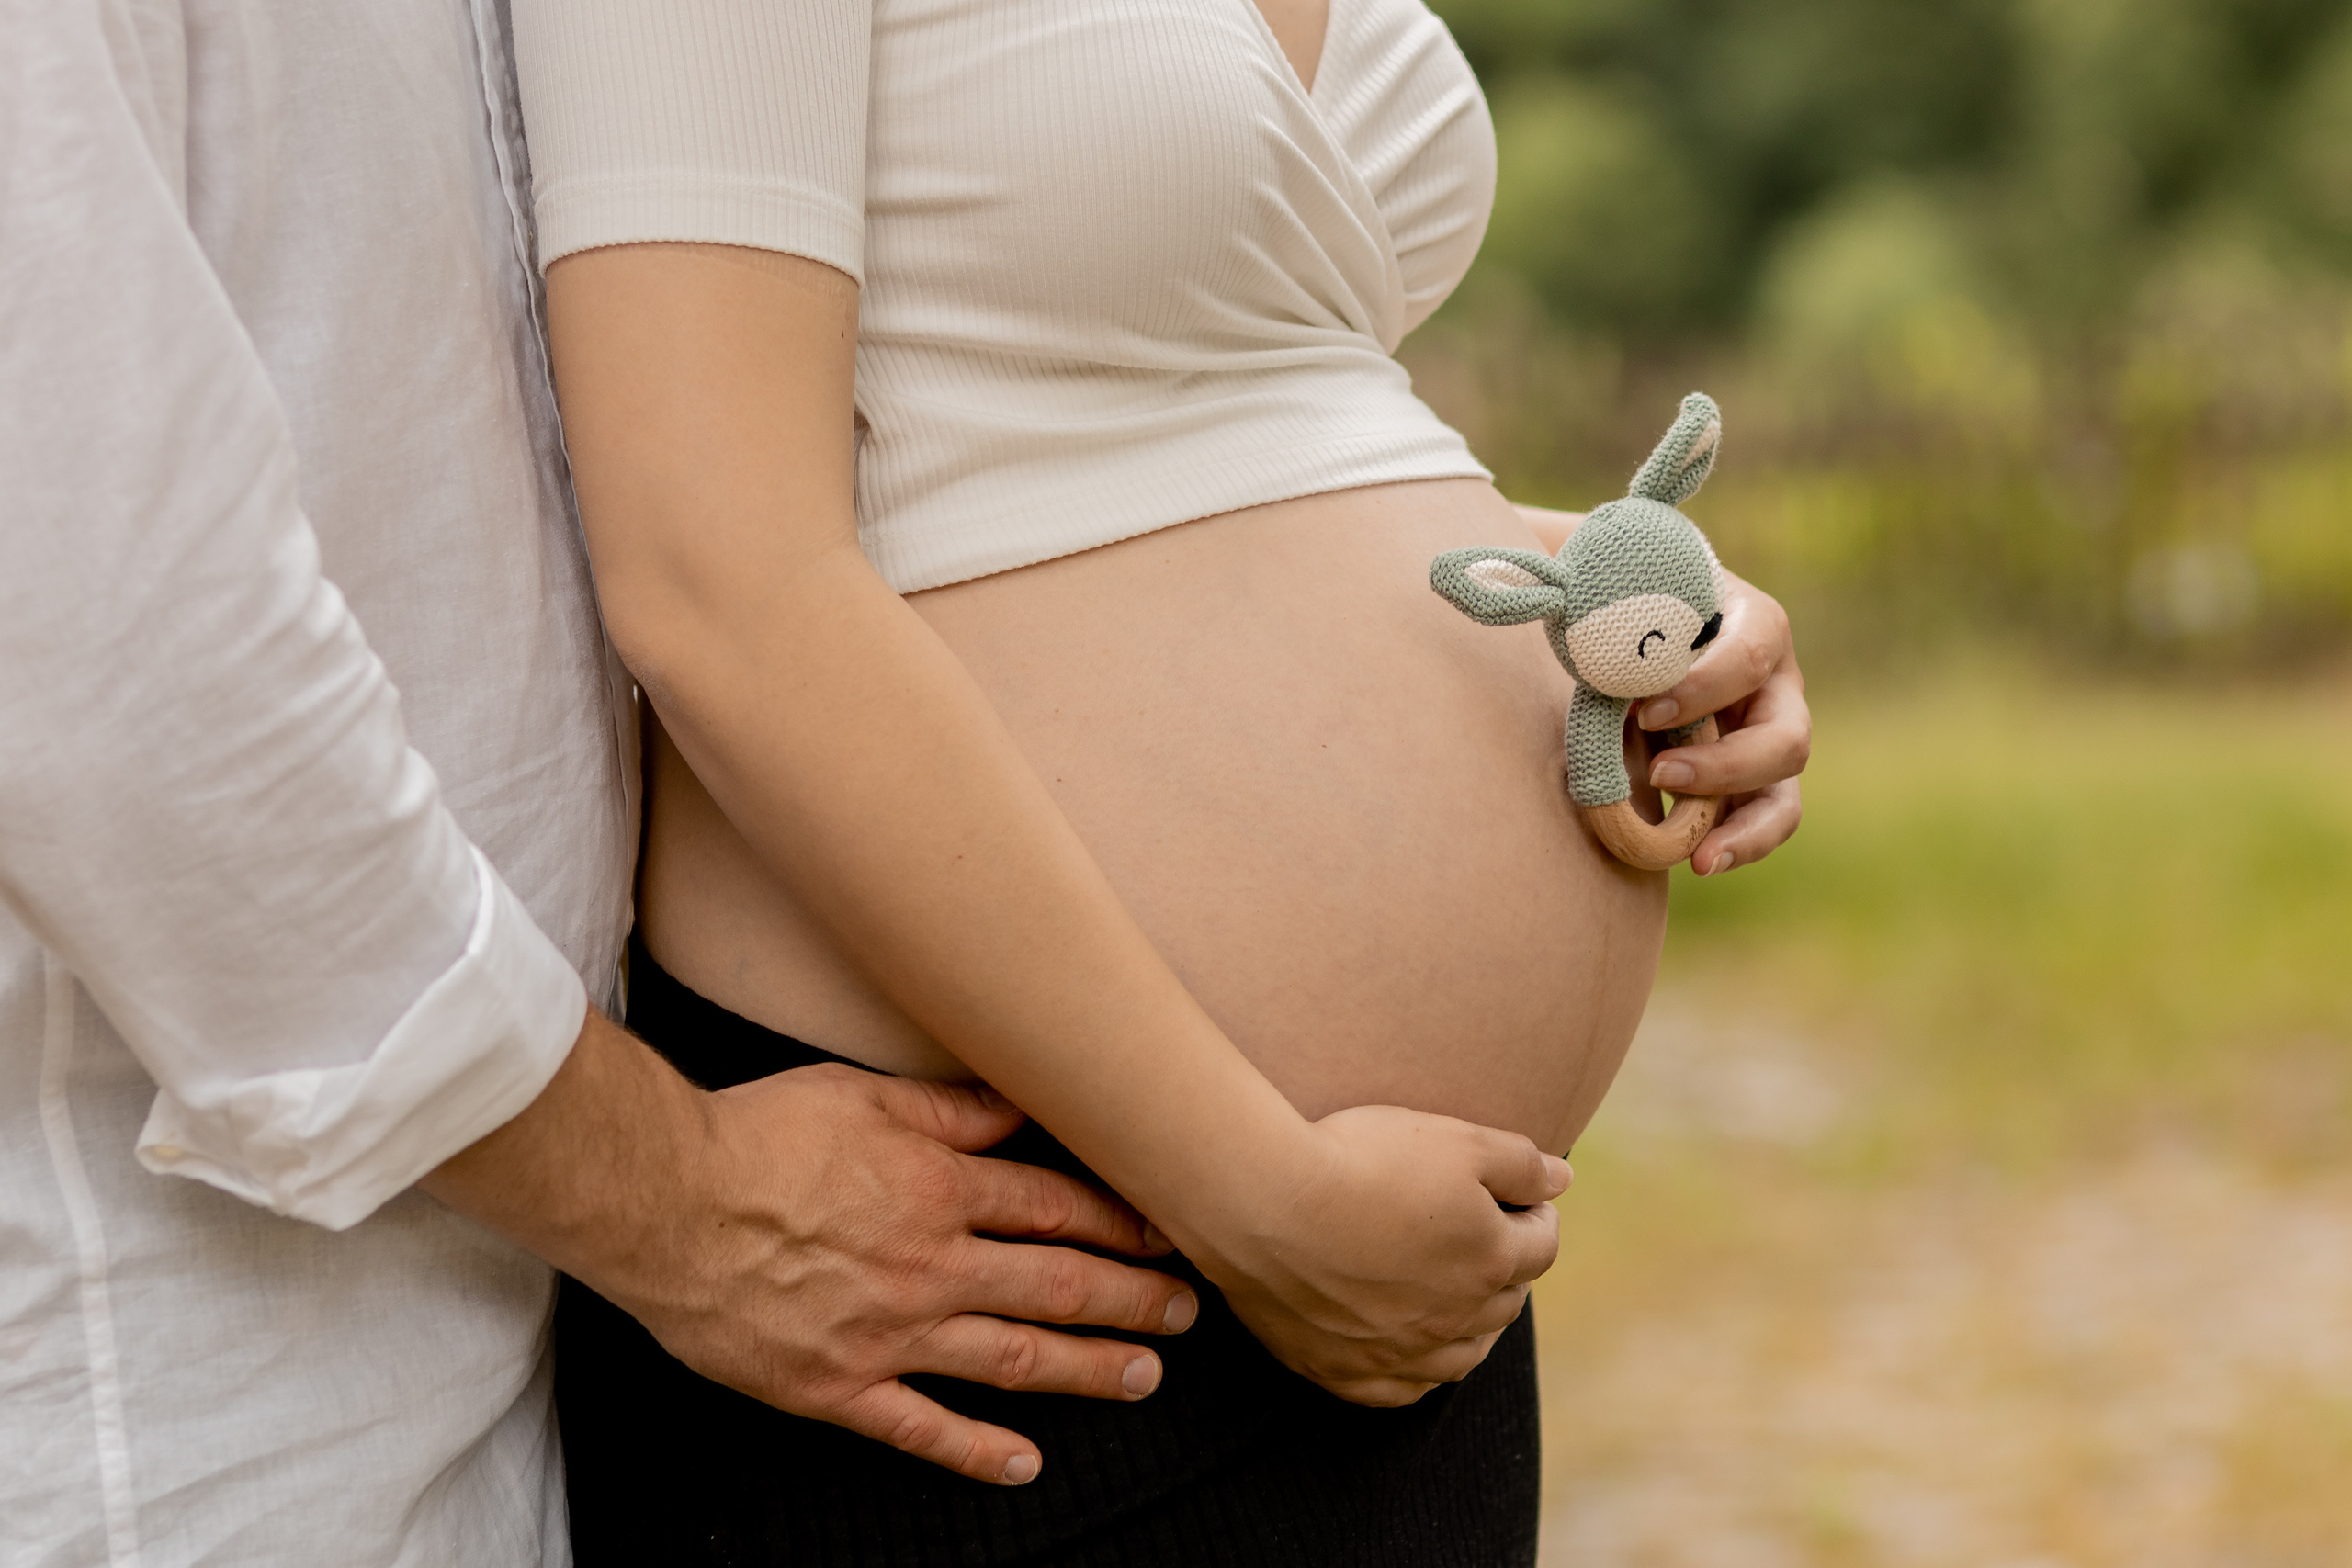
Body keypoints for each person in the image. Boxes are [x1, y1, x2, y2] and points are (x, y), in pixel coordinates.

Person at [2, 3, 1553, 1562]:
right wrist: (674, 1196)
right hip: (186, 1365)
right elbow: (99, 645)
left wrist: (1553, 609)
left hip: (582, 1267)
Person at [508, 0, 1811, 1561]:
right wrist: (1257, 1195)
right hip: (1010, 1251)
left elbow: (1222, 442)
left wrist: (1612, 592)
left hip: (1392, 1267)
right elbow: (711, 573)